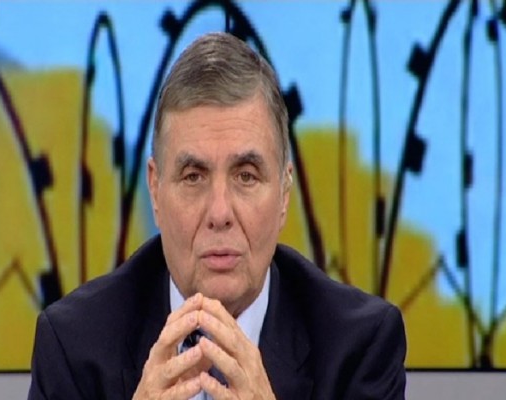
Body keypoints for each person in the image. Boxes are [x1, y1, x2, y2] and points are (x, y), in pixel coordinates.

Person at [28, 32, 406, 400]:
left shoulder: (360, 347)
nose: (220, 213)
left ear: (284, 193)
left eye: (246, 176)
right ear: (155, 190)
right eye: (194, 177)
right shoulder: (74, 346)